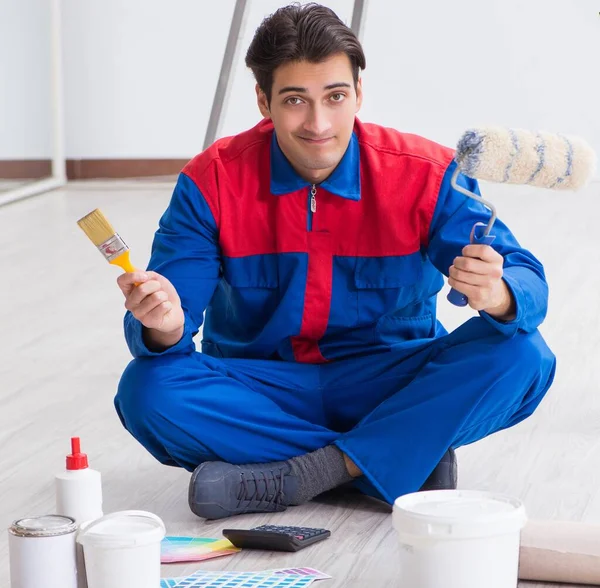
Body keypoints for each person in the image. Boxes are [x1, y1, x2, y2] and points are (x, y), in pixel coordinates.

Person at [114, 3, 556, 520]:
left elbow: (527, 281)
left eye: (335, 96)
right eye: (295, 100)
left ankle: (300, 474)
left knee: (524, 356)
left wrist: (499, 294)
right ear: (264, 101)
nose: (318, 123)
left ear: (359, 94)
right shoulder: (211, 181)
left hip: (389, 378)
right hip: (260, 385)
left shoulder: (428, 174)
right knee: (147, 390)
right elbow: (167, 321)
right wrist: (164, 325)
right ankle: (392, 457)